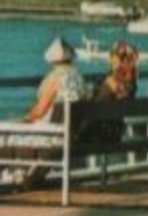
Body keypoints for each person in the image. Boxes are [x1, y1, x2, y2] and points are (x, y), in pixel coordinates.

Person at [2, 38, 87, 190]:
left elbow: (40, 110)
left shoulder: (55, 78)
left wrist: (24, 120)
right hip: (72, 134)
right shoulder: (78, 77)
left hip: (54, 138)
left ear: (52, 59)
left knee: (4, 138)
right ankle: (28, 179)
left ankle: (23, 178)